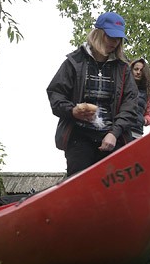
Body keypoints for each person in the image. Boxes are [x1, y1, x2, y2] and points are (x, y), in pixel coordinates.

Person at [47, 11, 138, 177]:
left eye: (118, 38)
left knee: (114, 187)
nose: (115, 42)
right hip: (79, 136)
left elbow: (130, 104)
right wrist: (72, 110)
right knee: (78, 185)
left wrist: (114, 133)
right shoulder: (74, 62)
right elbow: (56, 94)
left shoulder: (124, 68)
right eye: (110, 36)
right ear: (97, 34)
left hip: (112, 136)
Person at [129, 58, 150, 139]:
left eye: (141, 70)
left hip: (137, 132)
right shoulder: (123, 87)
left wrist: (145, 120)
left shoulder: (147, 93)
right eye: (136, 69)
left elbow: (147, 113)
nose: (138, 72)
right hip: (123, 130)